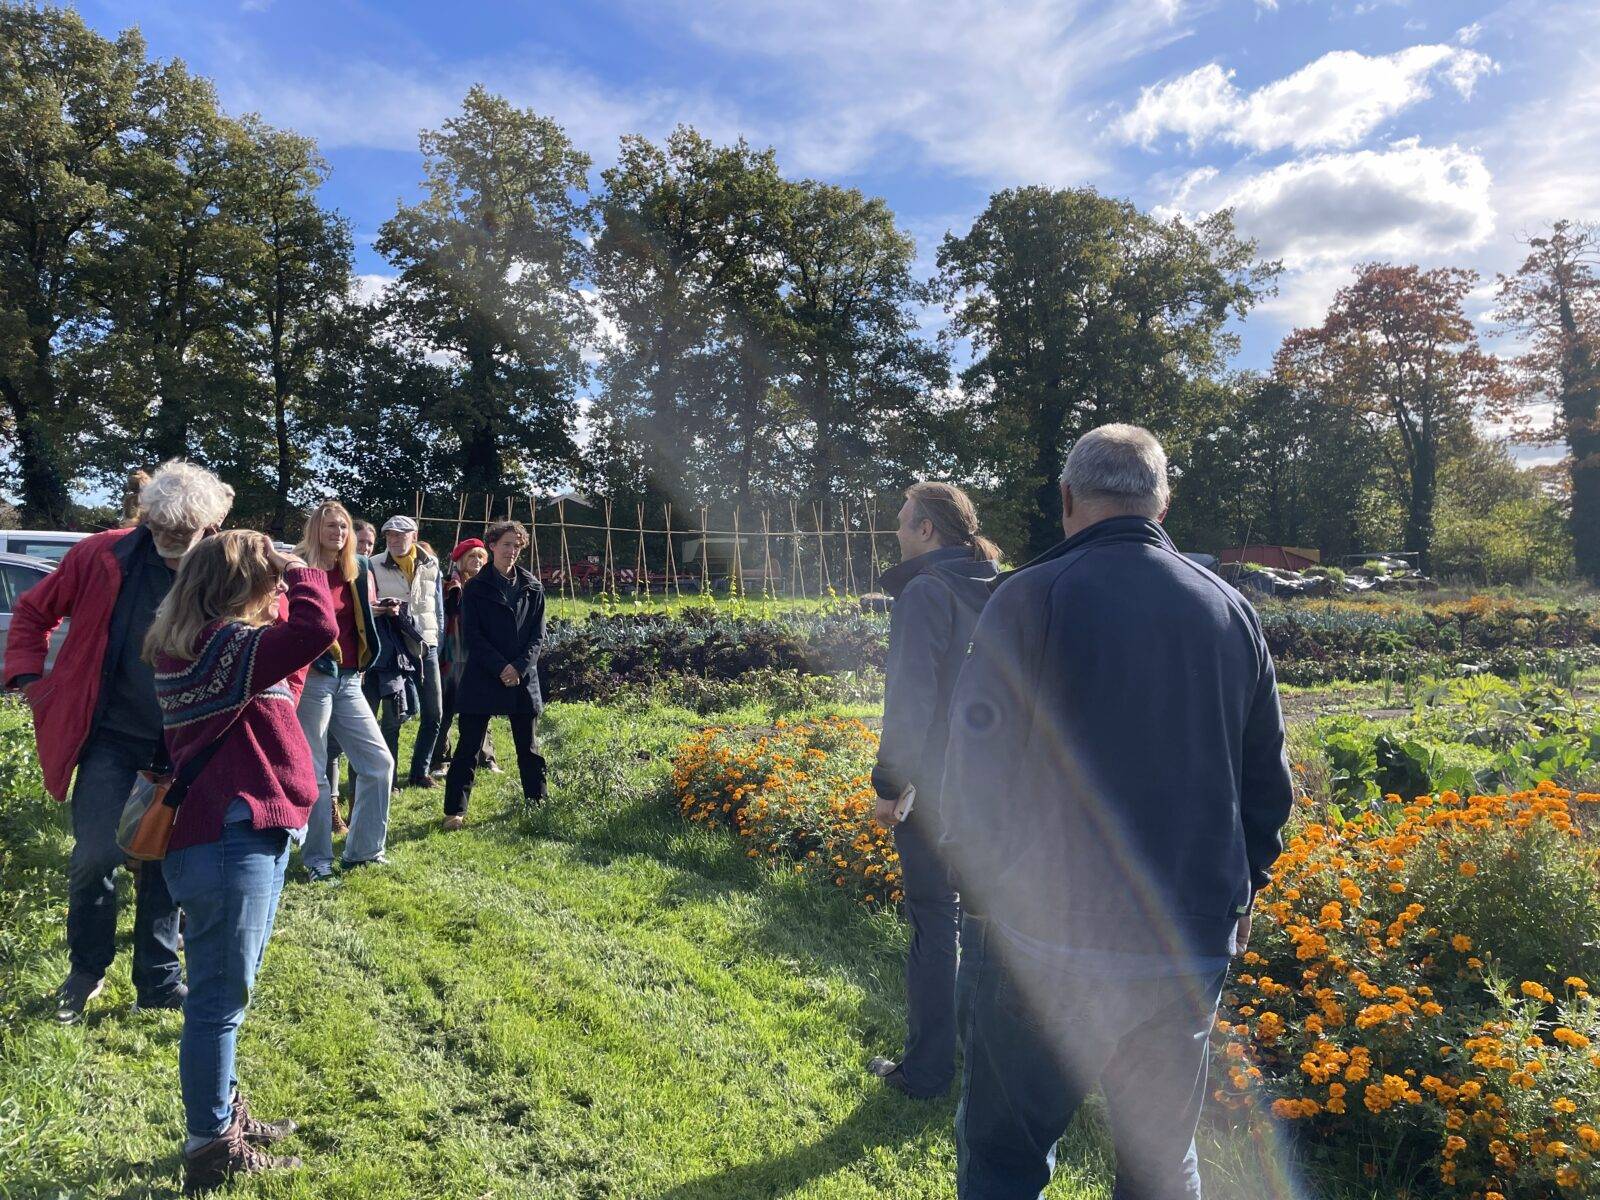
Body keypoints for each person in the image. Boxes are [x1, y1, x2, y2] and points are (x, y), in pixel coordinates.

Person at [941, 424, 1295, 1200]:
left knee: (1004, 1155)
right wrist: (1247, 889)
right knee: (1161, 1161)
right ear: (1163, 501)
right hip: (1185, 942)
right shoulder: (1230, 611)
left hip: (1045, 939)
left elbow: (970, 772)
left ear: (1066, 498)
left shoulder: (1028, 597)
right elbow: (1267, 786)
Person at [2, 460, 234, 1023]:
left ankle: (158, 978)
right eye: (159, 531)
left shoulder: (227, 566)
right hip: (110, 733)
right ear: (145, 517)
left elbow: (268, 628)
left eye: (184, 535)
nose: (169, 545)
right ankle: (86, 970)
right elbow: (34, 612)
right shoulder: (101, 554)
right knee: (94, 855)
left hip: (184, 739)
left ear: (210, 525)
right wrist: (31, 681)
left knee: (163, 858)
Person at [145, 531, 335, 1193]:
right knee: (219, 1002)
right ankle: (208, 1147)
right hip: (229, 837)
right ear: (238, 584)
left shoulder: (207, 648)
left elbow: (294, 668)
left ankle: (222, 1115)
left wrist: (281, 579)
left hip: (232, 834)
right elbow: (317, 628)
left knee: (227, 992)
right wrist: (304, 568)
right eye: (268, 577)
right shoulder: (223, 646)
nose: (278, 586)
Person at [867, 482, 1000, 1100]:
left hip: (936, 785)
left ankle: (925, 1073)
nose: (896, 532)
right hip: (999, 781)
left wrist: (890, 786)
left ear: (927, 531)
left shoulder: (926, 591)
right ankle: (987, 1064)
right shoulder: (1002, 585)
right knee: (986, 923)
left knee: (932, 917)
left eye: (902, 522)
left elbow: (912, 699)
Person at [292, 501, 393, 882]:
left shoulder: (359, 568)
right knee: (315, 771)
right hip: (312, 679)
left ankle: (365, 851)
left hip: (351, 678)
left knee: (378, 763)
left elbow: (363, 624)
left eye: (344, 526)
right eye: (331, 526)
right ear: (316, 529)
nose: (338, 532)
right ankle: (317, 859)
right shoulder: (298, 566)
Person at [442, 521, 546, 829]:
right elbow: (472, 635)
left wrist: (519, 667)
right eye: (505, 545)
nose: (511, 551)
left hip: (522, 677)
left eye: (516, 546)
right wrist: (501, 667)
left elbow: (538, 637)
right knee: (469, 745)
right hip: (485, 675)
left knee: (527, 745)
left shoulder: (533, 587)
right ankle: (455, 810)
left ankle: (537, 802)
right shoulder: (475, 588)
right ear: (492, 546)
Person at [368, 515, 444, 790]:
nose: (395, 540)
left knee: (434, 713)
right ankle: (390, 777)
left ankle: (420, 773)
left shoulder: (431, 563)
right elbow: (366, 607)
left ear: (414, 534)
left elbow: (437, 606)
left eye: (401, 535)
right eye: (390, 535)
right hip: (394, 648)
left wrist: (438, 638)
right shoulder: (374, 564)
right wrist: (382, 609)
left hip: (427, 644)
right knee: (393, 716)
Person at [430, 538, 498, 777]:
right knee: (446, 707)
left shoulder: (490, 586)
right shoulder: (449, 585)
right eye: (472, 556)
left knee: (482, 705)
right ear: (460, 561)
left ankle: (486, 757)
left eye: (480, 557)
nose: (477, 561)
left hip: (479, 654)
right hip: (453, 651)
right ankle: (440, 759)